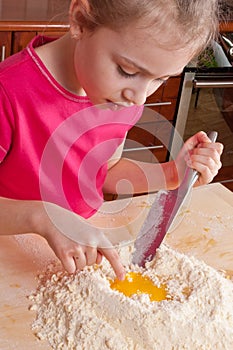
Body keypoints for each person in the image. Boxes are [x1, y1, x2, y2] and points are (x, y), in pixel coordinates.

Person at [0, 0, 223, 280]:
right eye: (128, 71)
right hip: (10, 259)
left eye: (160, 79)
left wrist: (172, 174)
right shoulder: (7, 93)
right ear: (80, 20)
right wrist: (41, 217)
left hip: (79, 250)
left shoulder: (120, 98)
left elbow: (105, 171)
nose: (140, 97)